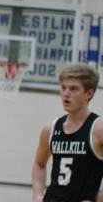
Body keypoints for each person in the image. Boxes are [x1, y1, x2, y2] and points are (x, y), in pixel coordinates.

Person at [32, 63, 103, 202]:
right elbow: (39, 164)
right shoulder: (50, 129)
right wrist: (37, 195)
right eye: (63, 88)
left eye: (73, 89)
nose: (66, 93)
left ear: (89, 93)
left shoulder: (98, 130)